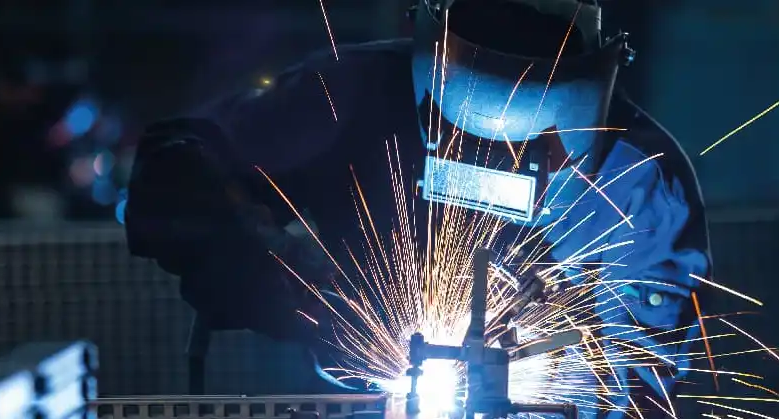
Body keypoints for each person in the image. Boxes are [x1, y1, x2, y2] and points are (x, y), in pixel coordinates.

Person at [125, 0, 710, 417]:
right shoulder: (355, 94)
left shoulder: (641, 181)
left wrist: (554, 380)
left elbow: (643, 378)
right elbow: (181, 164)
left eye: (533, 150)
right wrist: (275, 270)